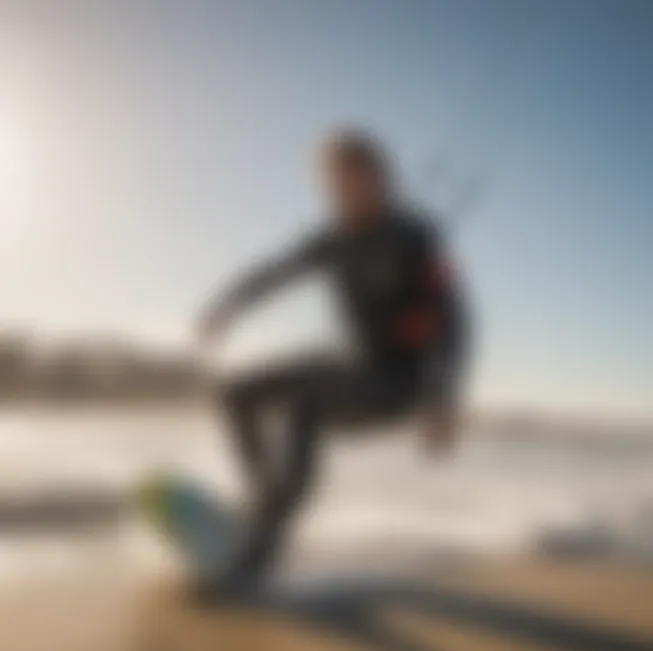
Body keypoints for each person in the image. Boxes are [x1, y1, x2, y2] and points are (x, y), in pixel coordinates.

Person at [195, 128, 470, 600]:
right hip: (353, 365)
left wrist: (443, 399)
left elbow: (456, 322)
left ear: (384, 179)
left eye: (358, 180)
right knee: (237, 394)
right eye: (335, 184)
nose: (345, 193)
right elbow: (276, 271)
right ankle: (266, 504)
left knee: (305, 408)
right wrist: (228, 306)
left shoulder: (417, 237)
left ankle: (262, 548)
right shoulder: (332, 240)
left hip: (402, 381)